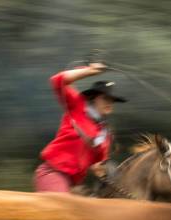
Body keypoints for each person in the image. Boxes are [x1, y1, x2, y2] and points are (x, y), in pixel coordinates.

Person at [34, 63, 127, 192]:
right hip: (52, 173)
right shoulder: (78, 105)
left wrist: (116, 176)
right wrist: (89, 71)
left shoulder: (105, 134)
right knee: (61, 210)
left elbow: (97, 165)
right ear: (94, 99)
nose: (109, 103)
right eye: (105, 98)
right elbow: (57, 80)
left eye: (112, 100)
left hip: (73, 184)